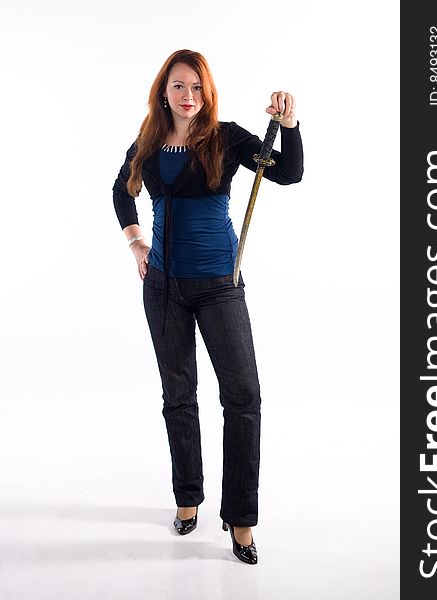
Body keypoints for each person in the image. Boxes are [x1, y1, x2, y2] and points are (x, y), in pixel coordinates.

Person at [112, 49, 303, 565]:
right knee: (179, 396)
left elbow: (289, 174)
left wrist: (289, 125)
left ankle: (240, 520)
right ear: (164, 91)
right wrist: (136, 241)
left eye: (196, 87)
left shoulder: (227, 136)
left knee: (243, 396)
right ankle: (187, 499)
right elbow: (119, 189)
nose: (188, 96)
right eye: (179, 86)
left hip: (221, 285)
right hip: (164, 288)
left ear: (207, 91)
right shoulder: (149, 143)